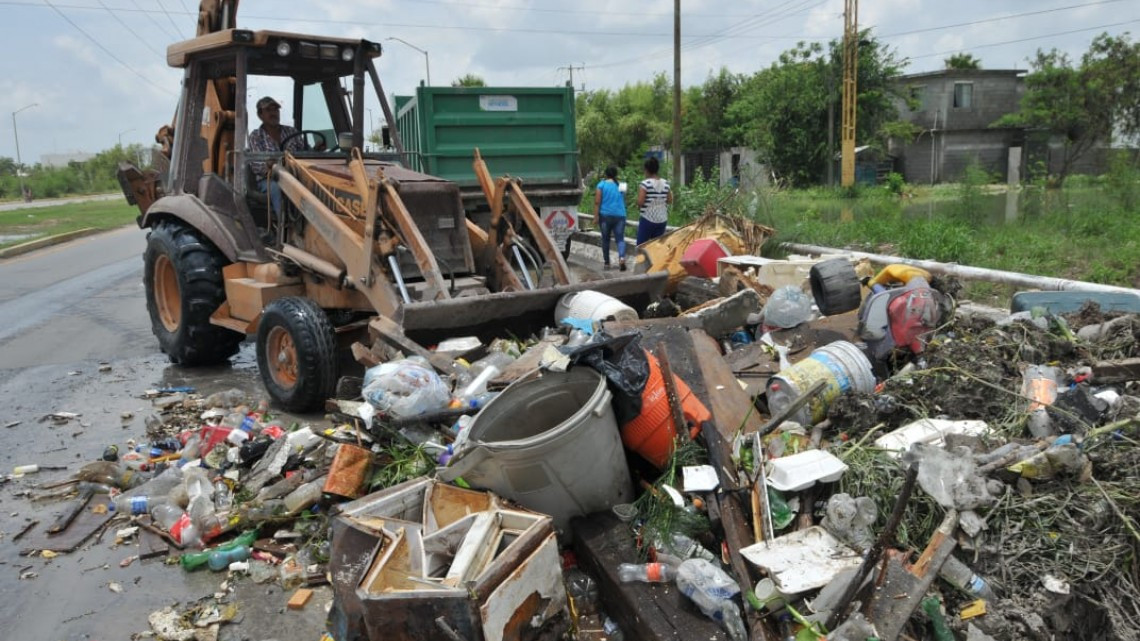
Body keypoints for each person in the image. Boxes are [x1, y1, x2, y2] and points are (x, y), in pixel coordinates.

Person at [247, 96, 308, 213]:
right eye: (268, 110)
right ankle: (286, 227)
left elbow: (305, 152)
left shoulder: (291, 131)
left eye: (275, 110)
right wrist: (269, 165)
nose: (273, 113)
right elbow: (256, 166)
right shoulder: (256, 136)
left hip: (294, 175)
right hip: (269, 179)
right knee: (279, 188)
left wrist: (316, 149)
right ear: (260, 115)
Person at [594, 165, 627, 271]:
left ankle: (607, 263)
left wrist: (596, 217)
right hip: (620, 215)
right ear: (616, 174)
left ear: (606, 174)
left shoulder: (601, 185)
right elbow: (623, 199)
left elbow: (597, 202)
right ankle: (622, 257)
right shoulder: (622, 185)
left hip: (605, 216)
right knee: (620, 239)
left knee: (605, 239)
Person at [636, 156, 672, 245]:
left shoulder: (645, 184)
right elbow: (670, 200)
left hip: (647, 219)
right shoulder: (666, 183)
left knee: (641, 246)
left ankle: (643, 259)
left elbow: (640, 202)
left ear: (647, 170)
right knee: (656, 246)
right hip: (662, 219)